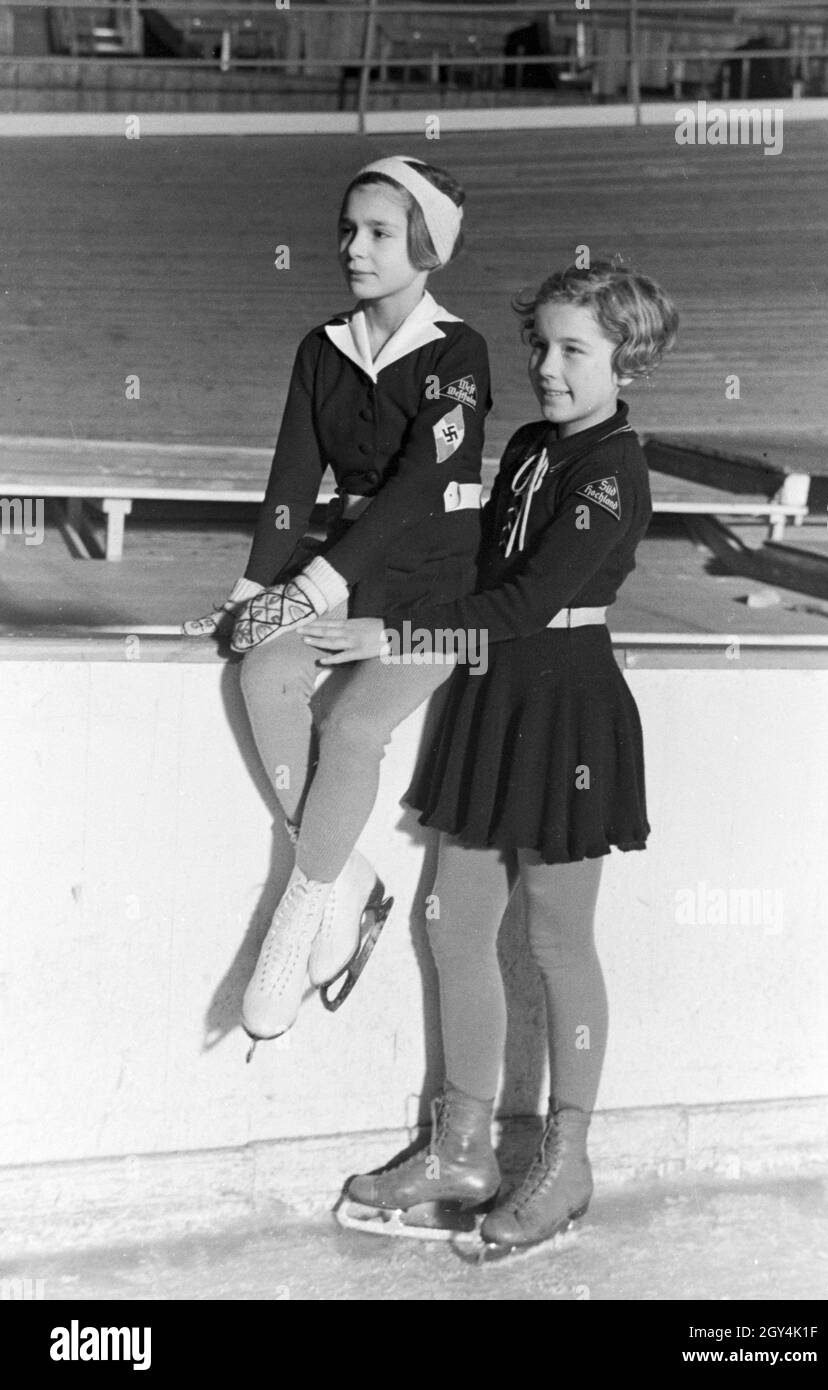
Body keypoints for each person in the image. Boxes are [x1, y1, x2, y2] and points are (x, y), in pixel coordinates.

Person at [304, 260, 678, 1254]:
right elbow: (478, 567)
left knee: (556, 941)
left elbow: (522, 602)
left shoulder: (613, 471)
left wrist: (393, 638)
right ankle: (462, 1143)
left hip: (565, 709)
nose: (547, 368)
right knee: (447, 921)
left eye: (573, 351)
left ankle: (567, 1162)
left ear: (623, 358)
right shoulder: (527, 446)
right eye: (539, 346)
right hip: (488, 696)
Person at [183, 156, 491, 1050]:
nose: (353, 249)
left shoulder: (457, 356)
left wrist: (314, 585)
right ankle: (344, 877)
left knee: (353, 729)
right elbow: (291, 477)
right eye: (347, 230)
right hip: (341, 564)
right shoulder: (321, 346)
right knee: (260, 671)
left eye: (379, 234)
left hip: (437, 580)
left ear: (426, 249)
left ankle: (297, 916)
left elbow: (415, 486)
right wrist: (252, 592)